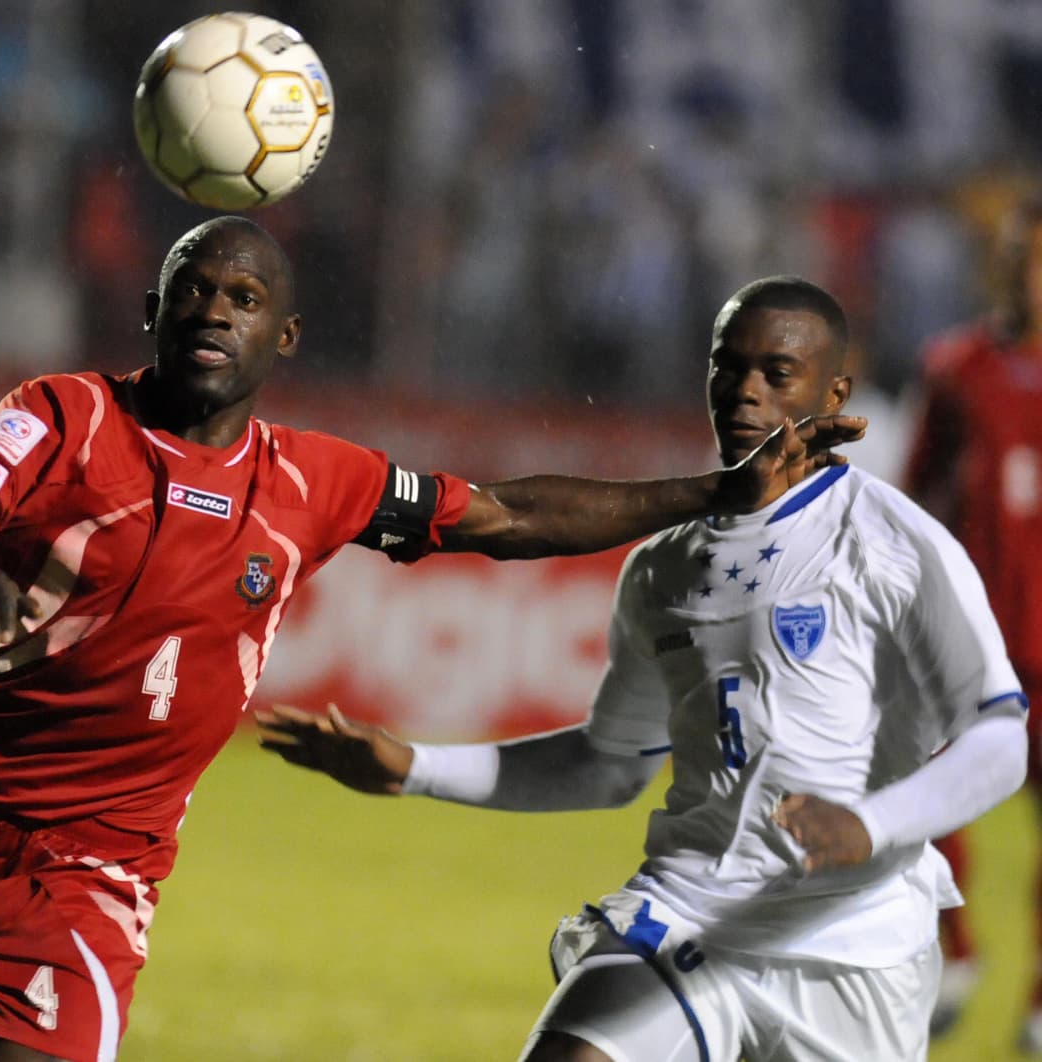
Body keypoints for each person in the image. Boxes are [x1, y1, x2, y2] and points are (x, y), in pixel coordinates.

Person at [0, 219, 863, 1062]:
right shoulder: (61, 415)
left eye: (245, 298)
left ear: (282, 338)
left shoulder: (317, 482)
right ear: (154, 309)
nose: (216, 311)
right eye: (197, 291)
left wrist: (712, 492)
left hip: (87, 878)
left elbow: (502, 517)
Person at [258, 275, 1029, 1062]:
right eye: (727, 367)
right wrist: (417, 766)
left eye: (776, 373)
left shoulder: (896, 543)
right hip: (688, 914)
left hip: (848, 941)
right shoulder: (664, 563)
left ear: (836, 390)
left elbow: (1002, 739)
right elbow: (610, 765)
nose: (743, 392)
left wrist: (869, 824)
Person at [904, 192, 1042, 1048]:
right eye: (1019, 256)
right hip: (976, 633)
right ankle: (954, 948)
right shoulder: (957, 367)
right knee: (926, 792)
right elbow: (918, 496)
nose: (1028, 273)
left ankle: (1038, 1005)